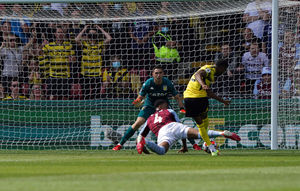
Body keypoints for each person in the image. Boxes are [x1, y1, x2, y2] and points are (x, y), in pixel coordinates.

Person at [112, 66, 187, 151]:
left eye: (160, 73)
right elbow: (141, 96)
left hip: (163, 106)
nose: (158, 75)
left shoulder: (167, 83)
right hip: (150, 105)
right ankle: (120, 144)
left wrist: (181, 108)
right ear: (153, 74)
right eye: (156, 73)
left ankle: (187, 146)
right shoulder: (148, 83)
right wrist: (138, 100)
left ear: (163, 74)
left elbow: (177, 97)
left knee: (178, 124)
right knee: (138, 122)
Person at [136, 99, 241, 155]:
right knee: (200, 133)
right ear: (159, 107)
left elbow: (141, 135)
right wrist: (185, 146)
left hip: (162, 133)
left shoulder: (149, 118)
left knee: (161, 150)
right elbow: (180, 127)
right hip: (174, 126)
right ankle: (221, 133)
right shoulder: (170, 111)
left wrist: (144, 145)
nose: (167, 107)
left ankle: (147, 142)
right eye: (165, 105)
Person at [183, 59, 231, 156]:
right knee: (200, 124)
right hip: (191, 98)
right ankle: (211, 148)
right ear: (222, 68)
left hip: (202, 98)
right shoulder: (209, 69)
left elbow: (209, 92)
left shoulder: (212, 75)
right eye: (224, 70)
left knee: (205, 120)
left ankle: (207, 142)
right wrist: (203, 84)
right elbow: (198, 75)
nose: (223, 72)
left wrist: (222, 101)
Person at [75, 24, 112, 99]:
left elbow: (109, 38)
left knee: (96, 95)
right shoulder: (84, 44)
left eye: (94, 33)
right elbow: (76, 40)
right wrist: (84, 29)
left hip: (96, 74)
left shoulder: (100, 44)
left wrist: (100, 28)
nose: (92, 34)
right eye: (91, 33)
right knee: (86, 95)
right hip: (85, 74)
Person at [42, 27, 76, 100]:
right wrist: (42, 46)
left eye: (61, 32)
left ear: (64, 34)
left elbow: (74, 59)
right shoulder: (49, 46)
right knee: (52, 96)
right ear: (55, 34)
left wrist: (72, 59)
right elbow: (40, 55)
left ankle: (65, 111)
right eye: (58, 32)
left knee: (65, 97)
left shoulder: (69, 45)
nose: (60, 34)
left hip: (65, 75)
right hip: (53, 75)